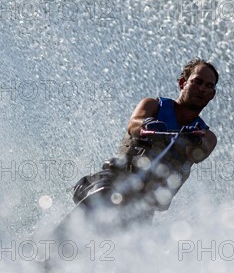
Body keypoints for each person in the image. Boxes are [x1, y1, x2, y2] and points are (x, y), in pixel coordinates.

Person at [72, 58, 219, 225]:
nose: (202, 89)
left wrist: (192, 142)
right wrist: (148, 127)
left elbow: (199, 152)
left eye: (209, 86)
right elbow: (134, 124)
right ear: (182, 83)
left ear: (213, 94)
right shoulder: (153, 106)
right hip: (109, 183)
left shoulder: (207, 136)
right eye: (197, 82)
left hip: (142, 206)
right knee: (106, 195)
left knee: (137, 239)